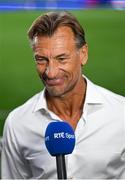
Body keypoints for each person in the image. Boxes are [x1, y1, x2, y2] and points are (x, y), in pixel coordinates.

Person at [1, 11, 125, 179]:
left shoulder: (121, 114)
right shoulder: (17, 124)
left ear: (83, 54)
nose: (50, 73)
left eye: (61, 59)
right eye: (41, 59)